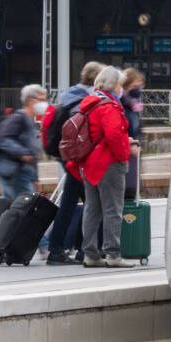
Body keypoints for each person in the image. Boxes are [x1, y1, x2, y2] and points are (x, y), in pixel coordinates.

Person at [74, 66, 136, 268]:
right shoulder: (109, 106)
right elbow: (113, 135)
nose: (121, 88)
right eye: (120, 84)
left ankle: (90, 254)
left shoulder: (90, 102)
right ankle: (113, 254)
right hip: (108, 163)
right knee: (113, 209)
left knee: (92, 209)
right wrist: (124, 154)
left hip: (89, 163)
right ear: (114, 84)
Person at [44, 61, 104, 265]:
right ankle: (74, 249)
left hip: (68, 157)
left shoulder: (67, 95)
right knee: (90, 206)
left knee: (73, 205)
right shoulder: (88, 100)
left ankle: (63, 249)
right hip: (82, 159)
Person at [0, 84, 48, 200]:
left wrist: (35, 178)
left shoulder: (30, 121)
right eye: (42, 100)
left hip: (23, 173)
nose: (45, 103)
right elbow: (3, 139)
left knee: (18, 207)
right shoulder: (18, 118)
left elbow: (33, 149)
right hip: (15, 173)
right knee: (23, 207)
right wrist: (23, 153)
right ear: (31, 100)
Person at [119, 68, 145, 141]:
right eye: (134, 86)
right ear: (126, 85)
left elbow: (137, 128)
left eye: (140, 87)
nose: (137, 90)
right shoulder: (120, 105)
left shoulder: (134, 104)